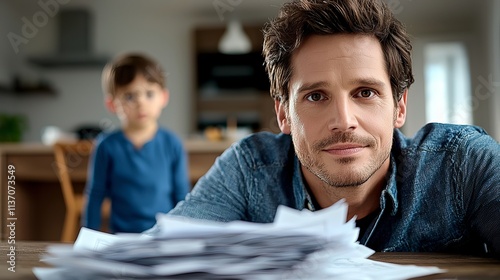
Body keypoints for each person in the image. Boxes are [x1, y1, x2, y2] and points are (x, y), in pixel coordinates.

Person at [167, 0, 500, 257]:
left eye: (365, 93)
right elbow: (161, 258)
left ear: (399, 106)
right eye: (315, 96)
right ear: (284, 114)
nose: (344, 121)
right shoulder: (248, 170)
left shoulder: (463, 164)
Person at [83, 53, 191, 234]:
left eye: (149, 94)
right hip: (121, 239)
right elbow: (95, 197)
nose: (141, 103)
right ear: (112, 104)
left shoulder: (173, 144)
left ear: (163, 97)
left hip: (163, 238)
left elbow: (182, 198)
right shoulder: (106, 146)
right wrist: (88, 240)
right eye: (129, 96)